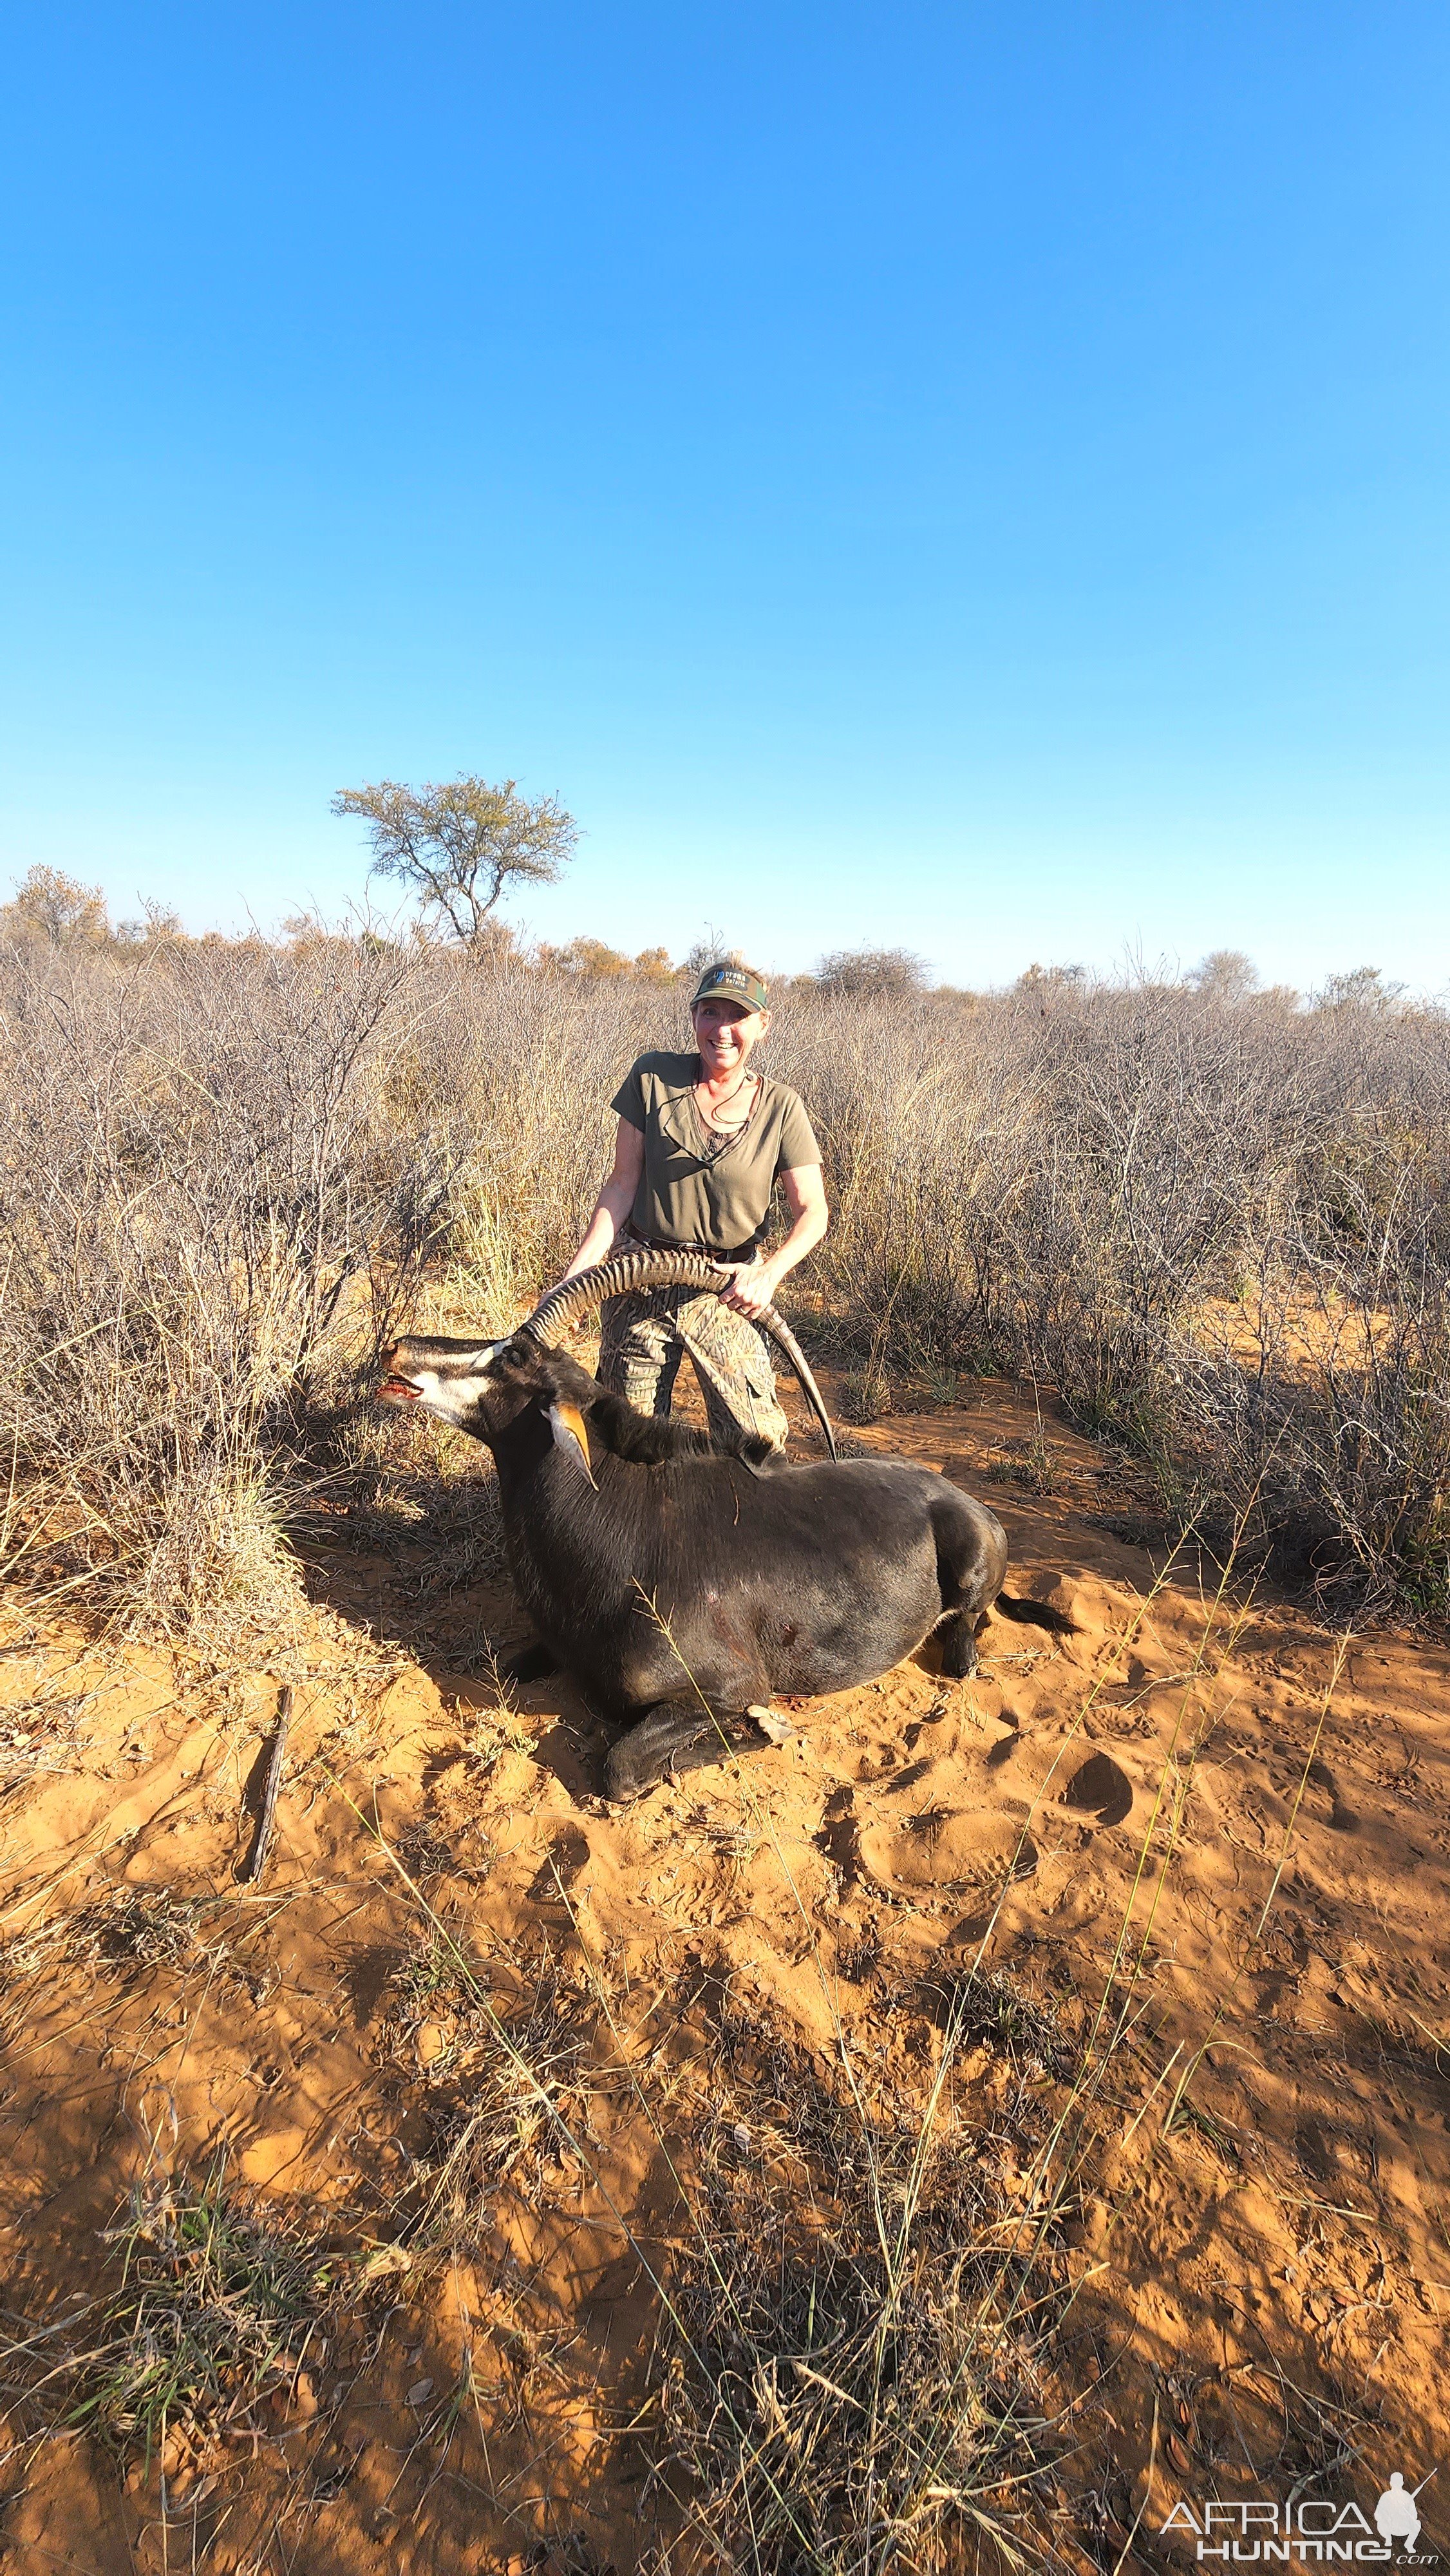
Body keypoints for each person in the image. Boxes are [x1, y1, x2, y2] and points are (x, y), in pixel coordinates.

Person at [558, 960, 829, 1446]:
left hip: (727, 1290)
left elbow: (813, 1212)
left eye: (737, 1016)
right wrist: (577, 1276)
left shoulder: (782, 1106)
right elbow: (621, 1185)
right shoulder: (653, 1076)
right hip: (639, 1278)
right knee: (626, 1442)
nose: (722, 1030)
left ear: (762, 1026)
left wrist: (768, 1275)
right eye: (710, 1013)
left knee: (755, 1446)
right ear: (694, 1017)